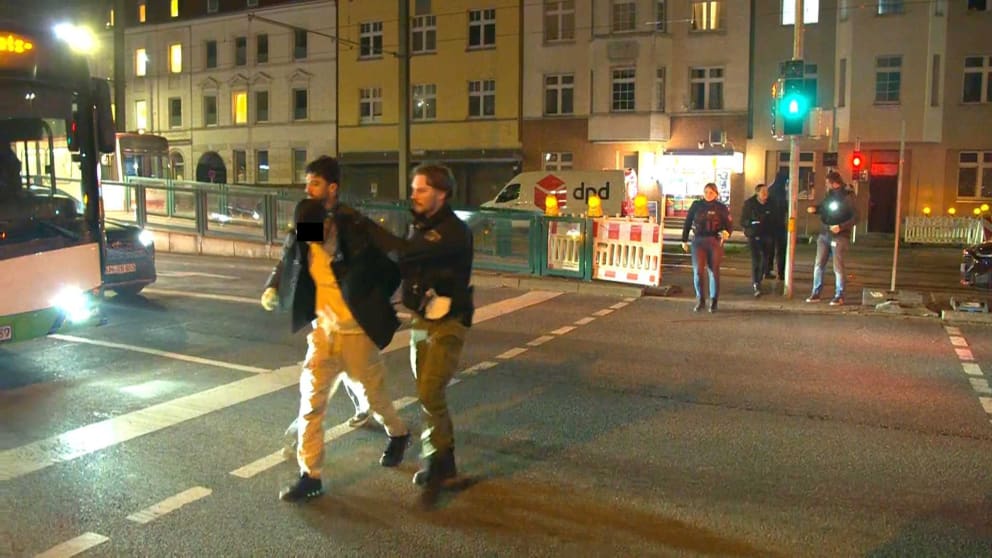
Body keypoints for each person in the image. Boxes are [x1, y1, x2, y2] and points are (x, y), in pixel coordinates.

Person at [260, 156, 410, 503]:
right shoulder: (308, 222)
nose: (308, 189)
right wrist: (273, 286)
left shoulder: (353, 225)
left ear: (332, 188)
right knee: (311, 403)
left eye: (314, 183)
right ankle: (310, 476)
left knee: (375, 399)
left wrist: (380, 296)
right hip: (323, 332)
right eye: (307, 183)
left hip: (356, 331)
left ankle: (398, 433)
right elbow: (290, 256)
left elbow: (392, 256)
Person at [363, 163, 474, 503]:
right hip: (422, 319)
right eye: (413, 189)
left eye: (421, 189)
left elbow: (406, 252)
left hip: (447, 321)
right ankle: (442, 460)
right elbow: (403, 263)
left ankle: (437, 461)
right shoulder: (420, 225)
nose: (414, 195)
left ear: (442, 193)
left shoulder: (451, 231)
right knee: (426, 392)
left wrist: (362, 225)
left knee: (429, 390)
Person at [805, 170, 857, 306]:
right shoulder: (829, 195)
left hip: (839, 236)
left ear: (834, 183)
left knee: (837, 267)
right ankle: (816, 293)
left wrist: (841, 227)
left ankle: (839, 295)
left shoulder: (847, 196)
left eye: (827, 183)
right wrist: (815, 209)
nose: (826, 185)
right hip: (824, 233)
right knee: (818, 265)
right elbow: (824, 208)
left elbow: (856, 217)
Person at [681, 183, 732, 313]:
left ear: (716, 194)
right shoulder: (696, 205)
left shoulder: (721, 207)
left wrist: (727, 233)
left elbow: (728, 224)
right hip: (698, 240)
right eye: (706, 192)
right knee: (698, 271)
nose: (708, 195)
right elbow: (688, 221)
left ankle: (714, 300)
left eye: (711, 192)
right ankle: (700, 299)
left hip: (714, 240)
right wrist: (684, 239)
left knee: (713, 271)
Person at [740, 183, 777, 297]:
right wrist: (752, 223)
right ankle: (756, 283)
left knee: (765, 259)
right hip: (754, 234)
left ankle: (760, 278)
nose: (765, 194)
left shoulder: (771, 203)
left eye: (767, 191)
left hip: (767, 234)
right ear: (757, 193)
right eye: (763, 191)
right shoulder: (750, 204)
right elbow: (743, 220)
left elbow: (776, 218)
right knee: (756, 259)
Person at [766, 169, 789, 281]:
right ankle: (781, 272)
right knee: (781, 249)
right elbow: (784, 207)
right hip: (778, 224)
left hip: (770, 224)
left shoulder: (770, 189)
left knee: (770, 249)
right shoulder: (781, 192)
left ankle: (768, 270)